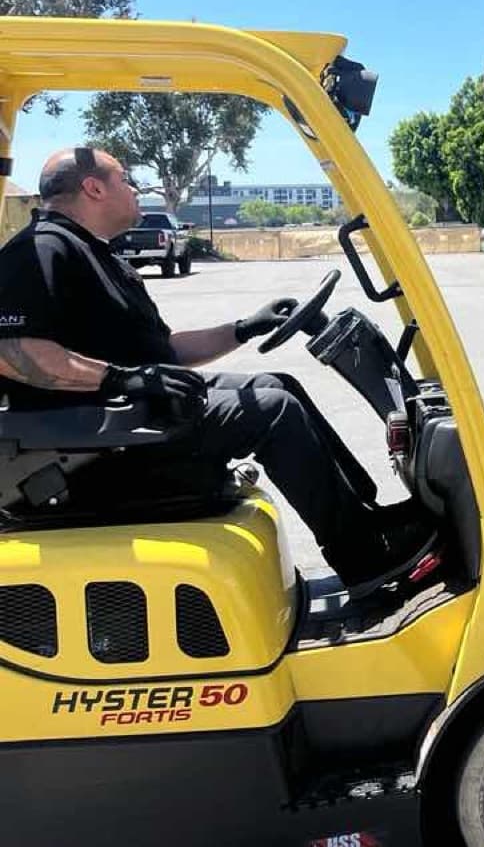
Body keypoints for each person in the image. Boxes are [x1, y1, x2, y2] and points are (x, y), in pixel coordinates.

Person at [0, 146, 438, 598]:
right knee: (271, 410)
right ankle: (362, 554)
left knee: (277, 385)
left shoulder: (96, 255)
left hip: (128, 419)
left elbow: (164, 351)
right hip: (97, 449)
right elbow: (12, 351)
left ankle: (365, 518)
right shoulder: (41, 250)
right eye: (125, 180)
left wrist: (243, 328)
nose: (134, 190)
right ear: (94, 188)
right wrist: (120, 379)